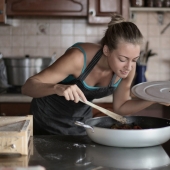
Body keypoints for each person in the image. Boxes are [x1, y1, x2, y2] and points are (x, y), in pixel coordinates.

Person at [22, 14, 155, 135]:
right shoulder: (77, 58)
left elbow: (120, 108)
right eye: (122, 59)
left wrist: (155, 98)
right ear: (107, 50)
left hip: (80, 127)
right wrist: (58, 88)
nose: (129, 66)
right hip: (44, 125)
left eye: (134, 60)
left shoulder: (128, 67)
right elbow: (28, 86)